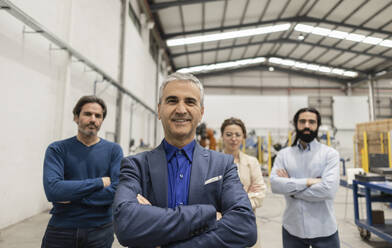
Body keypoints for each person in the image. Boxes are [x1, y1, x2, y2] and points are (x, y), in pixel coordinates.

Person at [113, 72, 257, 247]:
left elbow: (245, 228)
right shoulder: (135, 166)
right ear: (159, 110)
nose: (181, 110)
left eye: (190, 102)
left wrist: (158, 226)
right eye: (172, 100)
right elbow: (126, 226)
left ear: (201, 112)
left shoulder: (222, 165)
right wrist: (208, 214)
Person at [41, 95, 123, 248]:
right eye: (87, 114)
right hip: (61, 229)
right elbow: (53, 191)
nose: (93, 119)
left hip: (100, 230)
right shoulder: (57, 149)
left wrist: (71, 195)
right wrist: (99, 182)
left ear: (102, 121)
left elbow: (117, 190)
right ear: (76, 117)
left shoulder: (114, 150)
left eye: (98, 116)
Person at [270, 107, 340, 248]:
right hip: (292, 229)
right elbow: (275, 185)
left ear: (317, 125)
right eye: (302, 121)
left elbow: (328, 190)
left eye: (311, 122)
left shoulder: (330, 154)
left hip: (324, 229)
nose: (307, 125)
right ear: (296, 124)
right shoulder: (284, 155)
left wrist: (290, 188)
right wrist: (309, 182)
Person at [220, 117, 266, 248]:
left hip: (246, 225)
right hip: (221, 227)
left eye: (237, 135)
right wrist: (245, 196)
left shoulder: (252, 163)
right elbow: (209, 196)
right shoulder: (212, 162)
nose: (233, 139)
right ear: (222, 136)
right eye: (229, 134)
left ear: (243, 137)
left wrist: (227, 206)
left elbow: (260, 195)